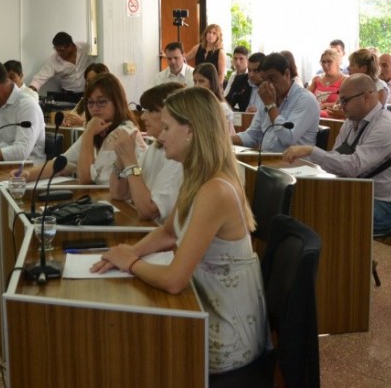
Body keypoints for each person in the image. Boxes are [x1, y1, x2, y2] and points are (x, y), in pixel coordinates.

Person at [91, 87, 268, 374]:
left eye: (167, 127)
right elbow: (169, 233)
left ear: (191, 132)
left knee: (125, 343)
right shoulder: (198, 176)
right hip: (207, 305)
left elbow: (174, 280)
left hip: (225, 335)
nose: (159, 136)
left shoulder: (215, 190)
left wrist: (131, 263)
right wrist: (126, 253)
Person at [284, 74, 391, 232]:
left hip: (381, 205)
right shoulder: (352, 121)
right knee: (301, 200)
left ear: (365, 97)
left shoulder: (386, 127)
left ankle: (336, 256)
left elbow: (352, 168)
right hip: (354, 192)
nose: (340, 105)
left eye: (344, 100)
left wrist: (311, 151)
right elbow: (337, 158)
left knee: (315, 209)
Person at [18, 73, 145, 185]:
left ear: (117, 102)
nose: (94, 108)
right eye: (90, 102)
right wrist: (26, 175)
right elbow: (62, 163)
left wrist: (88, 133)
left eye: (101, 102)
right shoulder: (98, 129)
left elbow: (86, 179)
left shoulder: (123, 132)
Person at [107, 82, 185, 222]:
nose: (143, 117)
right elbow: (118, 193)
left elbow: (148, 211)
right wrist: (121, 157)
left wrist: (130, 161)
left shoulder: (179, 158)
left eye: (151, 110)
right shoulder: (155, 148)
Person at [232, 52, 320, 152]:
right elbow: (252, 136)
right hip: (267, 161)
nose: (268, 85)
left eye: (272, 78)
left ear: (287, 74)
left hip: (296, 165)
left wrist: (271, 106)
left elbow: (288, 138)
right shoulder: (267, 98)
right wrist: (223, 140)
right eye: (264, 80)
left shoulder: (306, 100)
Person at [28, 31, 93, 102]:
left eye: (62, 50)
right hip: (68, 97)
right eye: (57, 50)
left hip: (88, 93)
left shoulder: (84, 48)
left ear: (70, 46)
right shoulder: (53, 61)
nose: (59, 54)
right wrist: (28, 94)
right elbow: (39, 79)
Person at [325, 48, 385, 119]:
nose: (348, 68)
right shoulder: (350, 84)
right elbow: (338, 104)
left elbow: (372, 116)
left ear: (363, 68)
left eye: (352, 65)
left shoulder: (381, 89)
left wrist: (345, 115)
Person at [62, 62, 110, 127]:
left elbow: (106, 126)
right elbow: (72, 116)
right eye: (88, 81)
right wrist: (68, 121)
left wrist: (82, 123)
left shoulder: (108, 102)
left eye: (93, 80)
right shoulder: (83, 101)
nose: (90, 84)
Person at [193, 63, 235, 135]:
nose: (197, 85)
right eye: (195, 81)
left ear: (212, 83)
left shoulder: (221, 107)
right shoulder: (196, 104)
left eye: (201, 81)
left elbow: (223, 137)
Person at [309, 48, 345, 117]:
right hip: (314, 114)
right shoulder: (316, 79)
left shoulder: (344, 80)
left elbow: (345, 103)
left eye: (329, 61)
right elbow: (305, 98)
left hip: (332, 117)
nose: (325, 65)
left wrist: (324, 105)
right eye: (323, 62)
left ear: (337, 63)